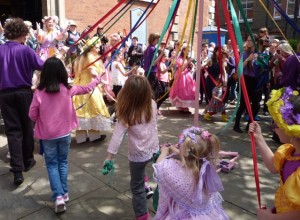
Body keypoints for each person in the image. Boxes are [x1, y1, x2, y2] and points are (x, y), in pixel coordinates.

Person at [29, 57, 104, 213]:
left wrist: (41, 120)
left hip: (48, 136)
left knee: (52, 164)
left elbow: (32, 114)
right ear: (62, 72)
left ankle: (58, 196)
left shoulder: (39, 92)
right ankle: (64, 193)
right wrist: (97, 80)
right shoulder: (68, 89)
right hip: (65, 134)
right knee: (62, 162)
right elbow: (86, 89)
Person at [104, 75, 159, 220]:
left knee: (136, 187)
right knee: (142, 174)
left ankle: (142, 216)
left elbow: (117, 136)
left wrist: (109, 158)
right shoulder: (152, 104)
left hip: (138, 155)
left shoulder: (127, 112)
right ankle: (145, 183)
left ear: (127, 92)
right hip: (153, 149)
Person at [0, 18, 44, 185]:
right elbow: (43, 66)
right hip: (24, 92)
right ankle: (27, 161)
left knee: (12, 131)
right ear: (22, 33)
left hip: (4, 94)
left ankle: (17, 170)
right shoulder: (26, 51)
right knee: (27, 128)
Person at [153, 126, 229, 220]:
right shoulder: (206, 168)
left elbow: (159, 166)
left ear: (184, 151)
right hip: (208, 214)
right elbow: (192, 157)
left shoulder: (177, 172)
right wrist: (177, 151)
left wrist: (164, 152)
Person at [249, 87, 300, 220]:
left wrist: (270, 218)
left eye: (276, 124)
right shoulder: (290, 150)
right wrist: (259, 137)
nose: (273, 129)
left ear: (291, 128)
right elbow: (273, 166)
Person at [72, 37, 111, 144]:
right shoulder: (90, 56)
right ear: (91, 48)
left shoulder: (81, 56)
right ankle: (94, 136)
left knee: (83, 111)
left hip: (79, 85)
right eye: (97, 47)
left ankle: (81, 138)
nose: (99, 49)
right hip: (89, 84)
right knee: (92, 109)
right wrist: (100, 78)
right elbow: (92, 71)